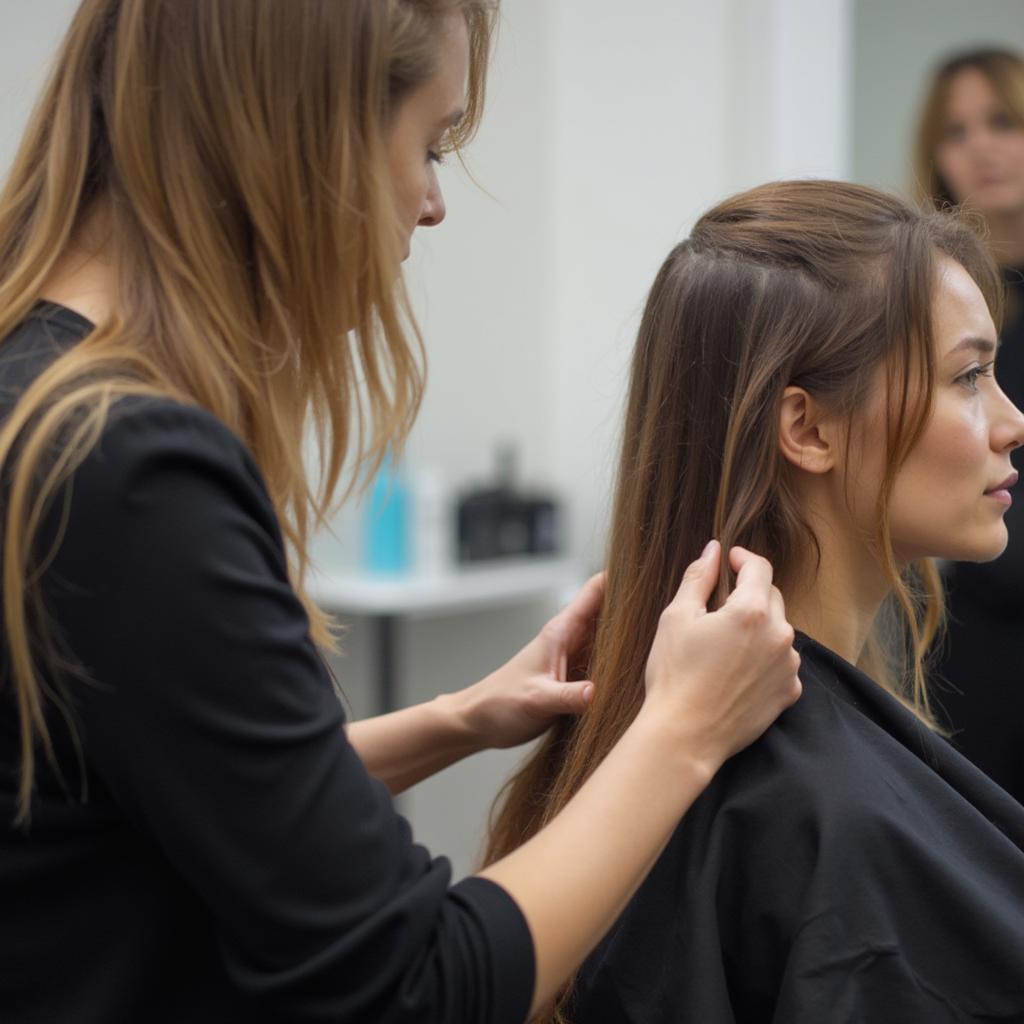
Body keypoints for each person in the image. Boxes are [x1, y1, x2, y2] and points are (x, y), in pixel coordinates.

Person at [0, 2, 803, 1022]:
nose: (432, 204)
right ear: (305, 134)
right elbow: (409, 985)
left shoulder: (33, 393)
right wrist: (683, 732)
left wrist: (461, 719)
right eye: (427, 144)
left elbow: (174, 793)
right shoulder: (121, 464)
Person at [486, 180, 1024, 1023]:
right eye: (968, 376)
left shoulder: (687, 765)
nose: (1011, 420)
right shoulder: (816, 813)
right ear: (808, 431)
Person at [913, 47, 1024, 802]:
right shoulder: (930, 305)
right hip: (978, 639)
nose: (979, 147)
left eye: (1003, 121)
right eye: (955, 131)